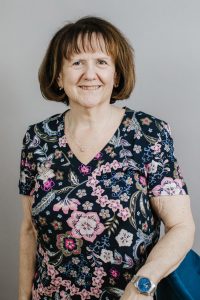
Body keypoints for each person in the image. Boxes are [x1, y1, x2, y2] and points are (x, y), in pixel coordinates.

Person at [18, 16, 195, 300]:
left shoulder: (149, 134)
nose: (90, 74)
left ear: (116, 74)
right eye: (77, 63)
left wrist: (144, 284)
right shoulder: (38, 138)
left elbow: (181, 227)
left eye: (101, 62)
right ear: (59, 77)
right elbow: (29, 230)